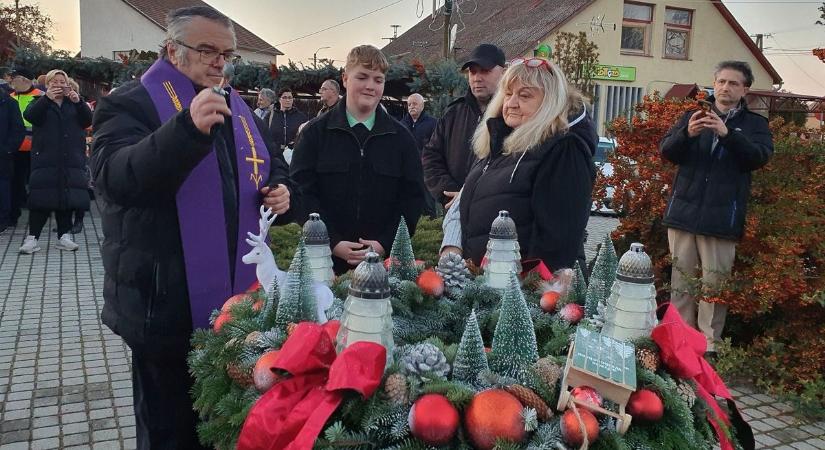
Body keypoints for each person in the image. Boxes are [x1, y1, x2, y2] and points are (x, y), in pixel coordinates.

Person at [90, 6, 297, 449]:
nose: (219, 62)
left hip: (237, 306)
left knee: (228, 427)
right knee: (171, 433)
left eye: (227, 53)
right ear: (172, 50)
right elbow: (115, 178)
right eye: (207, 50)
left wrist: (281, 188)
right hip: (164, 307)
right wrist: (184, 129)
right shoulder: (130, 102)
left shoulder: (238, 109)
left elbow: (272, 161)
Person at [441, 58, 596, 274]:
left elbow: (557, 243)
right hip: (484, 288)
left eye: (524, 95)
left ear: (549, 102)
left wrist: (527, 296)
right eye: (508, 93)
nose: (511, 103)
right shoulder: (499, 146)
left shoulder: (563, 150)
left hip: (520, 297)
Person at [660, 61, 773, 355]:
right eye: (721, 81)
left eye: (733, 83)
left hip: (722, 218)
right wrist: (688, 134)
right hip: (684, 214)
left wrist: (727, 134)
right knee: (681, 282)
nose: (725, 88)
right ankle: (680, 341)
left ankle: (709, 348)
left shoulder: (755, 125)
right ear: (714, 83)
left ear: (745, 89)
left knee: (714, 286)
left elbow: (758, 158)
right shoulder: (691, 116)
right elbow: (667, 151)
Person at [291, 45, 425, 274]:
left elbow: (412, 198)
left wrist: (384, 242)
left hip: (383, 268)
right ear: (345, 78)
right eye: (362, 77)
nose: (370, 86)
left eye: (378, 80)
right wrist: (331, 241)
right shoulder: (315, 134)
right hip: (323, 264)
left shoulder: (402, 139)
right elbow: (301, 193)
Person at [423, 43, 505, 210]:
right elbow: (431, 158)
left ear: (503, 72)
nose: (477, 78)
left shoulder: (511, 116)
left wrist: (470, 196)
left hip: (496, 216)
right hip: (454, 212)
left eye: (485, 70)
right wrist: (452, 194)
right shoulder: (453, 113)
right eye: (472, 71)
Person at [19, 69, 92, 254]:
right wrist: (47, 99)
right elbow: (31, 117)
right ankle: (32, 238)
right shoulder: (39, 102)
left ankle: (64, 236)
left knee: (67, 198)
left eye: (62, 81)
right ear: (48, 84)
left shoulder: (74, 104)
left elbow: (88, 121)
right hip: (45, 159)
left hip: (71, 159)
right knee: (41, 198)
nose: (59, 85)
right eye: (55, 81)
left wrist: (79, 102)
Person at [9, 68, 43, 227]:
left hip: (36, 146)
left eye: (14, 78)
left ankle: (40, 210)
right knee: (16, 181)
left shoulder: (40, 96)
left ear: (24, 80)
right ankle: (15, 211)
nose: (11, 81)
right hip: (15, 148)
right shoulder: (9, 98)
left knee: (37, 181)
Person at [401, 93, 437, 216]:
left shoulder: (433, 123)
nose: (411, 106)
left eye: (415, 104)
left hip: (426, 167)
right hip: (407, 168)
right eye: (409, 104)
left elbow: (436, 146)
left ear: (422, 105)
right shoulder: (402, 124)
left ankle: (431, 224)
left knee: (427, 198)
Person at [0, 87, 25, 232]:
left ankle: (4, 219)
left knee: (4, 187)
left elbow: (17, 129)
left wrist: (7, 149)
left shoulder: (9, 103)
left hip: (3, 156)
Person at [270, 87, 308, 151]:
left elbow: (306, 136)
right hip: (275, 154)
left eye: (290, 98)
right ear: (279, 99)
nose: (288, 100)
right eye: (284, 97)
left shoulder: (301, 117)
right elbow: (265, 134)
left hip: (294, 154)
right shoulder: (270, 116)